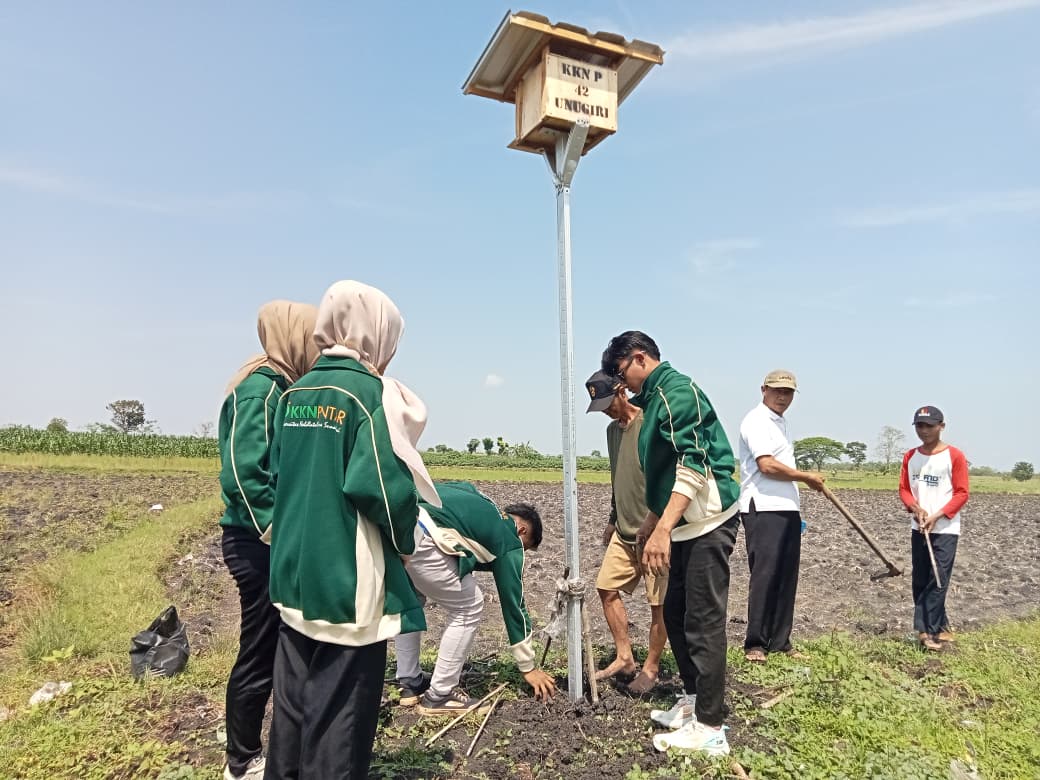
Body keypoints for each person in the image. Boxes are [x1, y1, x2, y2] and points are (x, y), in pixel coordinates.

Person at [264, 280, 440, 780]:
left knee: (294, 708)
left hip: (294, 575)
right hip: (347, 578)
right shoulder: (367, 396)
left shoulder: (295, 392)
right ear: (376, 334)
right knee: (341, 719)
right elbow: (382, 489)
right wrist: (407, 542)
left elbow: (279, 476)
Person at [600, 331, 739, 757]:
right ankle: (695, 701)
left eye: (622, 376)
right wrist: (652, 522)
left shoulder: (679, 393)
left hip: (707, 523)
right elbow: (661, 477)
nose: (623, 387)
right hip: (680, 524)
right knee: (677, 616)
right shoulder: (653, 401)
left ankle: (712, 727)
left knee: (703, 622)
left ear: (639, 358)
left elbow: (692, 464)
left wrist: (663, 530)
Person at [217, 300, 319, 780]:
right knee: (259, 646)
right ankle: (241, 761)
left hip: (277, 542)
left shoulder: (285, 388)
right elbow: (243, 474)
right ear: (293, 337)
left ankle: (279, 748)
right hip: (258, 543)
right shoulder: (258, 392)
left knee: (284, 644)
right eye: (312, 338)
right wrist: (279, 534)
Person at [394, 480, 557, 713]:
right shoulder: (509, 538)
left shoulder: (477, 499)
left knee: (411, 600)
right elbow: (514, 605)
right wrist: (528, 667)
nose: (521, 551)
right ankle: (440, 694)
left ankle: (410, 682)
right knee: (469, 606)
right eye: (526, 547)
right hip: (425, 537)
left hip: (399, 526)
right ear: (522, 530)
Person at [584, 370, 667, 695]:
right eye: (599, 405)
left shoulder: (649, 423)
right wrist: (612, 517)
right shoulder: (611, 432)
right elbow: (618, 476)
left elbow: (666, 480)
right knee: (606, 588)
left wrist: (659, 525)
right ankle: (625, 657)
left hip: (655, 532)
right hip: (624, 530)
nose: (606, 410)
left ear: (622, 390)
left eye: (608, 402)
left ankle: (651, 667)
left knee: (657, 604)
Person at [737, 369, 826, 664]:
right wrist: (806, 477)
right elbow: (766, 466)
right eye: (777, 390)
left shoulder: (781, 423)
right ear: (763, 389)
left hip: (787, 508)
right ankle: (756, 643)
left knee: (787, 576)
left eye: (787, 392)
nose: (782, 397)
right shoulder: (756, 420)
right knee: (765, 576)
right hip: (762, 507)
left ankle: (781, 640)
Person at [898, 405, 969, 652]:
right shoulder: (910, 456)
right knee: (921, 577)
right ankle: (938, 627)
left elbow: (961, 493)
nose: (924, 430)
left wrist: (938, 515)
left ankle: (927, 630)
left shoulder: (955, 456)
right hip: (919, 527)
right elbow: (905, 489)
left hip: (945, 527)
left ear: (941, 426)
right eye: (920, 425)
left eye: (930, 425)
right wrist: (915, 508)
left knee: (938, 579)